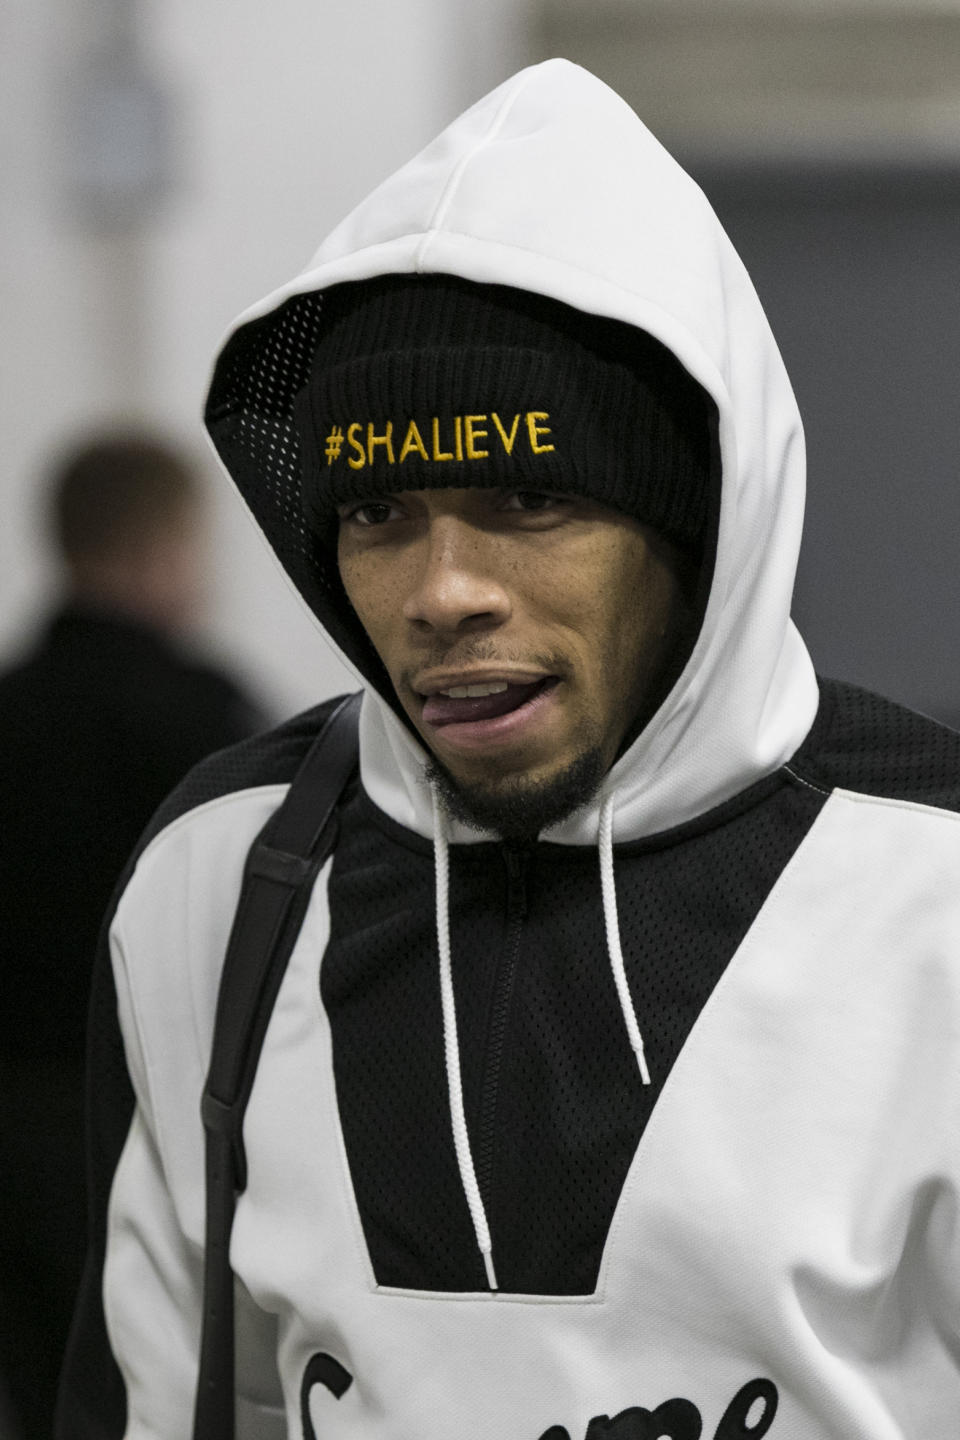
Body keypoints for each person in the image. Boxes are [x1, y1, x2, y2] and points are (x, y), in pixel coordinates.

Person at [59, 60, 960, 1440]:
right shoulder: (225, 878)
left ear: (697, 532)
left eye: (530, 496)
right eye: (378, 514)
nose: (441, 592)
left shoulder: (927, 886)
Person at [0, 431, 265, 1440]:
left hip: (9, 1126)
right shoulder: (204, 722)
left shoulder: (8, 713)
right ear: (163, 545)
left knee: (39, 1394)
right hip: (145, 1127)